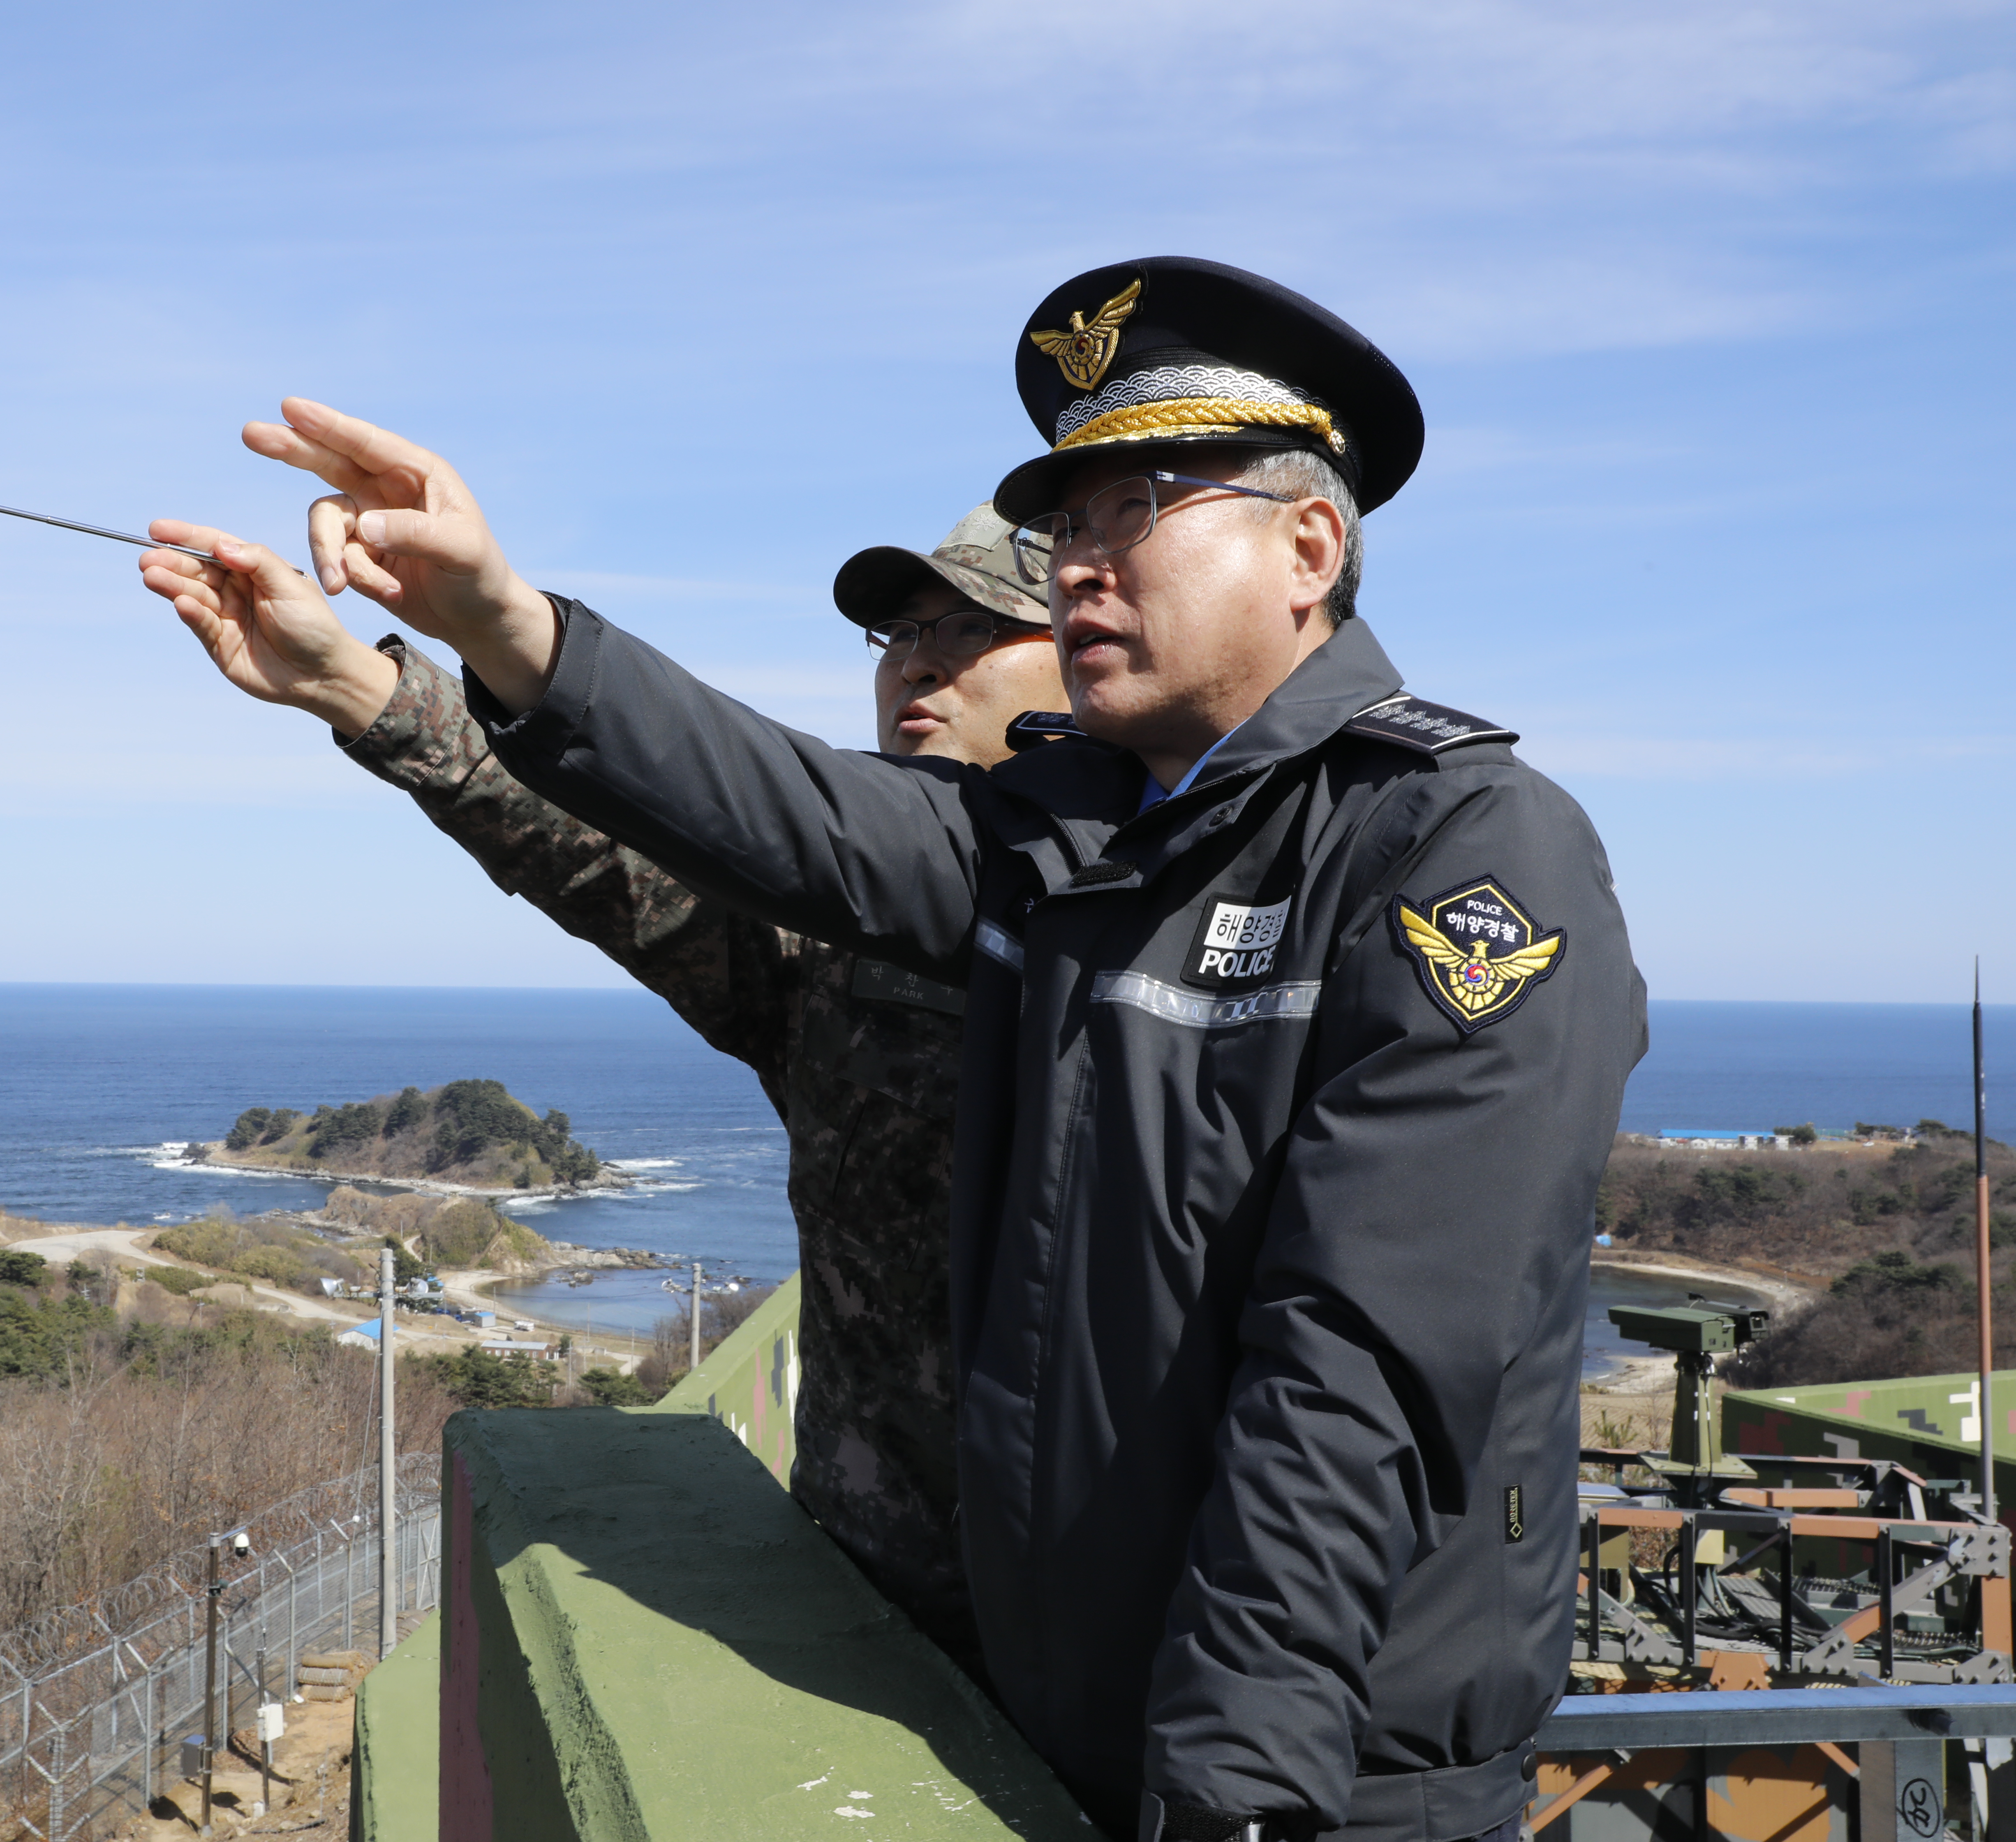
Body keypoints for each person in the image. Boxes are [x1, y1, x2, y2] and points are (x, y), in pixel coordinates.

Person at [140, 256, 1646, 1842]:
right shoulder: (1062, 849)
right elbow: (768, 811)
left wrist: (1235, 1801)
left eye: (1133, 508)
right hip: (1041, 1711)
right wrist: (498, 627)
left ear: (1310, 544)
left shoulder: (1458, 850)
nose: (1079, 565)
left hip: (1323, 1778)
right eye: (1064, 524)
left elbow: (1360, 1370)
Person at [136, 498, 1063, 1672]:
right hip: (882, 1608)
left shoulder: (1214, 920)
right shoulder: (834, 954)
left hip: (1136, 1644)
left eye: (975, 626)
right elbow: (605, 852)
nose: (920, 658)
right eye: (898, 634)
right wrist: (360, 693)